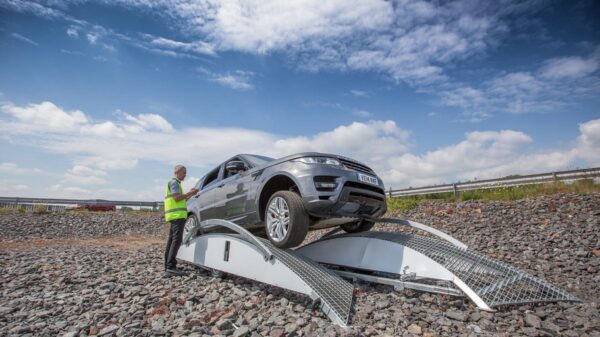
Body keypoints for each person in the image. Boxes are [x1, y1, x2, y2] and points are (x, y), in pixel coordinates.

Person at [164, 164, 199, 276]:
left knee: (171, 241)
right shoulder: (174, 182)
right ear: (178, 172)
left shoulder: (176, 183)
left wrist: (190, 194)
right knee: (176, 240)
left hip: (174, 216)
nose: (185, 175)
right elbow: (177, 198)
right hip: (177, 216)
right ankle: (171, 267)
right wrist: (190, 193)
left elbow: (179, 199)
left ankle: (168, 265)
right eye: (184, 172)